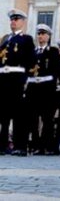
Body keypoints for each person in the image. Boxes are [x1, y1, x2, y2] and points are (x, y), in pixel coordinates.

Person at [0, 9, 36, 156]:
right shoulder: (5, 39)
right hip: (3, 78)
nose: (13, 22)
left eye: (16, 19)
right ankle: (2, 145)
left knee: (18, 114)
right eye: (12, 19)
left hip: (17, 78)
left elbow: (31, 60)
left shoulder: (26, 39)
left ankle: (19, 145)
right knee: (3, 114)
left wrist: (25, 78)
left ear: (22, 22)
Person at [25, 23, 60, 155]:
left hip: (47, 89)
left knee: (47, 119)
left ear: (48, 36)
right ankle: (35, 145)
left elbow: (58, 70)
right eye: (39, 34)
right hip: (33, 87)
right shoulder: (32, 52)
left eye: (43, 34)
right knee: (33, 119)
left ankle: (46, 145)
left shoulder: (53, 51)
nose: (40, 36)